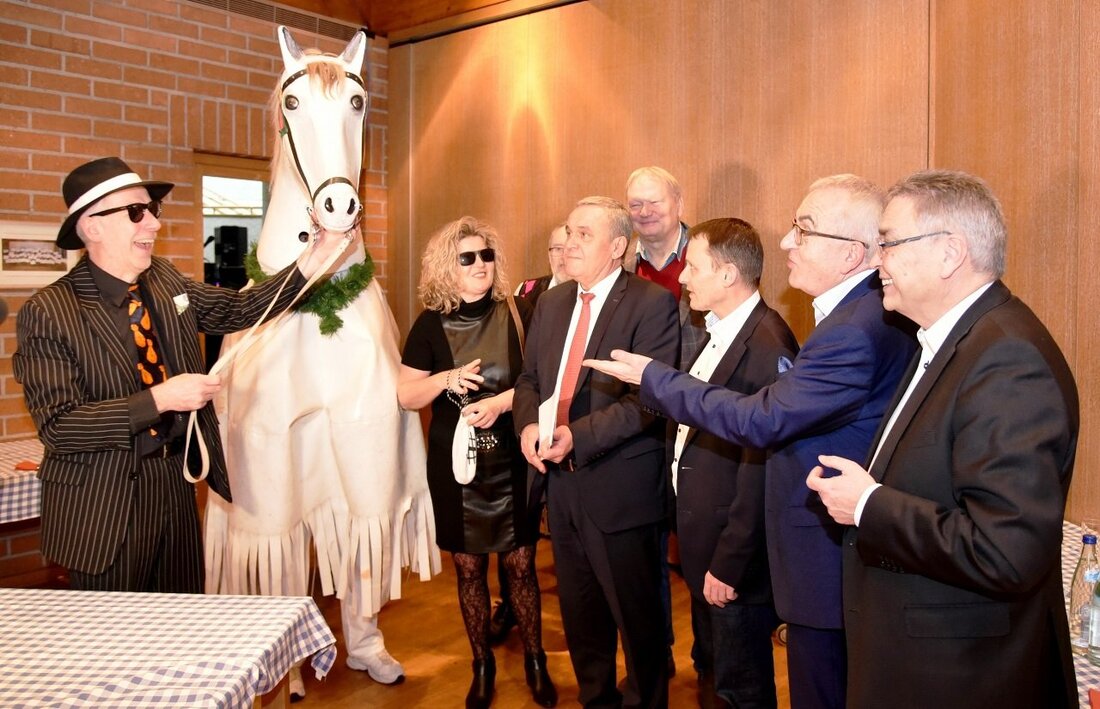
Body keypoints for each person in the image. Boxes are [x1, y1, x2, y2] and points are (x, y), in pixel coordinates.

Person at [584, 175, 917, 709]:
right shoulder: (856, 316)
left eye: (802, 231)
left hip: (821, 556)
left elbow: (761, 426)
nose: (785, 243)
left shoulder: (847, 329)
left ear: (853, 253)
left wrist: (653, 376)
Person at [12, 156, 348, 593]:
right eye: (136, 212)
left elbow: (239, 309)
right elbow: (60, 427)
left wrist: (315, 256)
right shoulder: (49, 312)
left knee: (184, 623)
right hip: (103, 507)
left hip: (174, 486)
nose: (152, 223)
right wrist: (160, 399)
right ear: (92, 226)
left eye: (153, 210)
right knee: (117, 642)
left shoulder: (165, 280)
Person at [806, 170, 1079, 708]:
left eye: (888, 243)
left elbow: (1005, 551)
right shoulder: (943, 339)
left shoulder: (1006, 358)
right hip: (917, 656)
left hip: (960, 675)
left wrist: (868, 505)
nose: (876, 261)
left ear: (950, 253)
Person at [514, 196, 679, 708]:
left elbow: (648, 403)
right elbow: (529, 381)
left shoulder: (651, 304)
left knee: (638, 624)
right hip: (559, 487)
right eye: (567, 232)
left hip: (621, 489)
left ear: (618, 247)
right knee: (582, 618)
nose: (567, 243)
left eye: (583, 234)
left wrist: (577, 437)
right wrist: (525, 428)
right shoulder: (553, 301)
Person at [398, 216, 555, 709]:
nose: (480, 264)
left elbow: (541, 380)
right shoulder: (428, 324)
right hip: (456, 462)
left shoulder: (519, 311)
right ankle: (481, 664)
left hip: (514, 455)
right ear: (448, 265)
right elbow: (405, 395)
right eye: (467, 257)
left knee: (521, 562)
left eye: (486, 254)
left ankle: (535, 661)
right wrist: (445, 379)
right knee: (468, 569)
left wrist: (502, 402)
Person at [670, 218, 797, 708]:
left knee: (741, 688)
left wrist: (729, 564)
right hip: (704, 545)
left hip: (733, 560)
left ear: (727, 276)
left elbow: (762, 467)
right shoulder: (717, 331)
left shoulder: (767, 346)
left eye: (693, 266)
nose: (683, 277)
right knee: (714, 671)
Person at [624, 166, 707, 676]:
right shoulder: (623, 264)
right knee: (646, 546)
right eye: (635, 204)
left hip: (700, 420)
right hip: (640, 420)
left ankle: (709, 654)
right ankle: (656, 656)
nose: (645, 212)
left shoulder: (706, 255)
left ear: (678, 201)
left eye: (654, 202)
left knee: (698, 547)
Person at [489, 220, 573, 647]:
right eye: (555, 247)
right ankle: (510, 603)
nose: (562, 254)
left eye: (569, 245)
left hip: (573, 431)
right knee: (517, 526)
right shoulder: (525, 295)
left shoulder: (595, 300)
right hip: (522, 427)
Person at [514, 222, 571, 305]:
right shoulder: (526, 290)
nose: (563, 257)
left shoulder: (588, 297)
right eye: (558, 249)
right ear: (549, 255)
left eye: (570, 249)